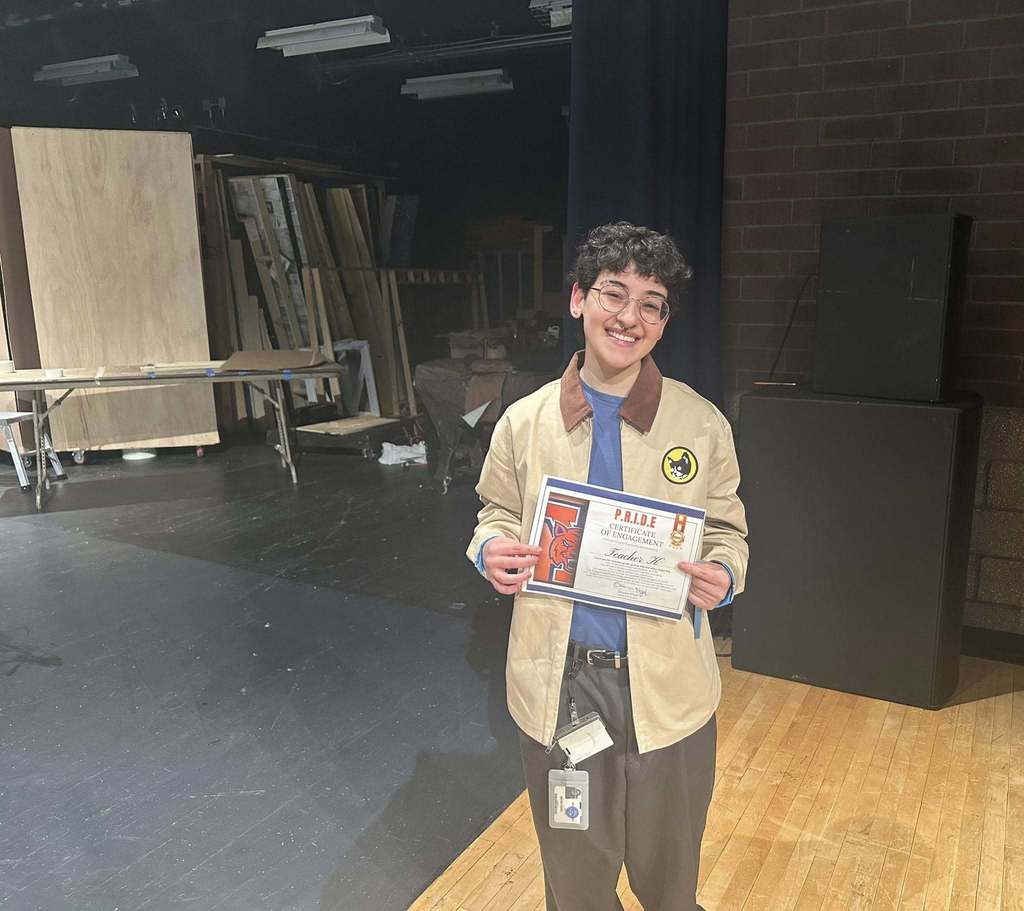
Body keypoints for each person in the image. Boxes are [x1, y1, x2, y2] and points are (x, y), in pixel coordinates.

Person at [466, 221, 748, 911]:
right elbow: (494, 513)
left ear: (664, 321)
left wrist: (723, 570)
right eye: (612, 293)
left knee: (670, 880)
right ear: (577, 300)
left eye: (651, 302)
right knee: (577, 880)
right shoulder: (524, 423)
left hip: (669, 691)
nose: (629, 316)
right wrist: (489, 551)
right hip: (561, 688)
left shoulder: (700, 424)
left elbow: (728, 530)